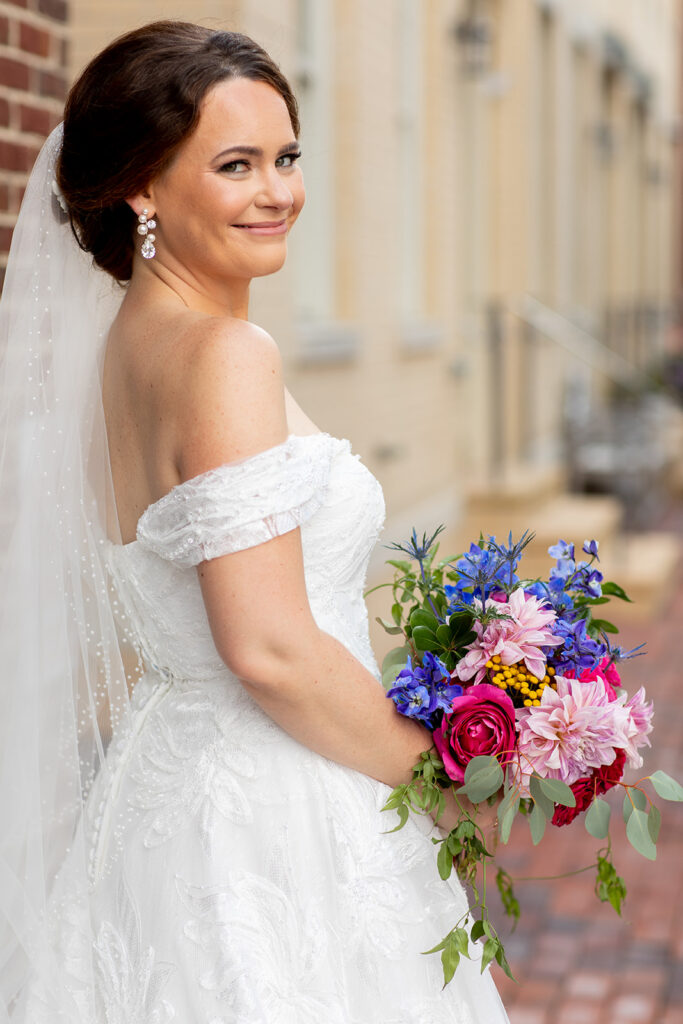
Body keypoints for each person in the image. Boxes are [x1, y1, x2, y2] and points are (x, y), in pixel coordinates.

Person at [0, 21, 509, 1022]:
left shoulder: (123, 349)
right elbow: (268, 646)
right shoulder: (225, 357)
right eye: (236, 164)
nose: (277, 191)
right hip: (274, 814)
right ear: (142, 186)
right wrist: (440, 779)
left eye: (286, 157)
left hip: (164, 805)